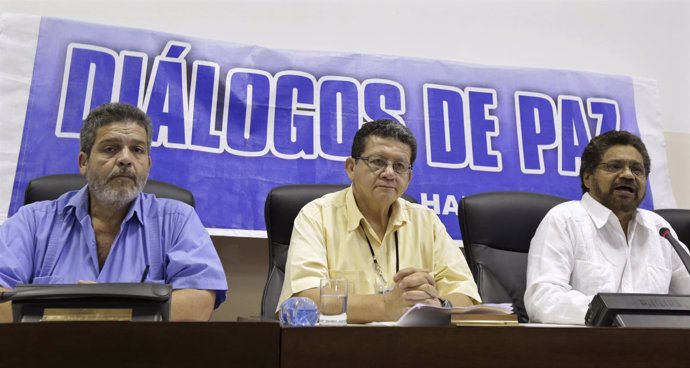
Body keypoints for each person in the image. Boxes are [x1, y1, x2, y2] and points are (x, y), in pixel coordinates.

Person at [0, 102, 227, 322]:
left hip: (142, 357)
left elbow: (198, 303)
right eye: (111, 149)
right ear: (83, 162)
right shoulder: (33, 221)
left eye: (137, 150)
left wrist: (100, 308)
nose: (125, 159)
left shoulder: (177, 220)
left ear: (147, 164)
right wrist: (130, 308)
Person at [277, 119, 480, 323]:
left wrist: (438, 306)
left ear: (408, 178)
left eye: (399, 166)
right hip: (340, 347)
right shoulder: (317, 216)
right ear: (351, 168)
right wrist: (386, 306)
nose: (389, 173)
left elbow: (468, 297)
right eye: (378, 162)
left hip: (414, 348)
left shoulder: (427, 222)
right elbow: (304, 300)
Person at [524, 130, 690, 324]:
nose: (628, 175)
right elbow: (543, 300)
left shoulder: (660, 230)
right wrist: (614, 315)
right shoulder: (565, 219)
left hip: (653, 348)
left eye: (637, 170)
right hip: (584, 349)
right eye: (614, 166)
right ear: (587, 177)